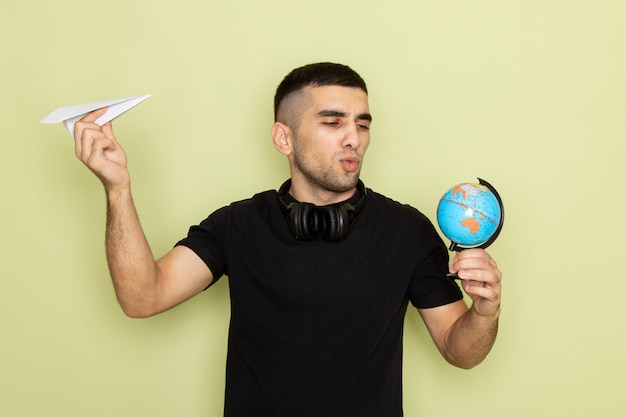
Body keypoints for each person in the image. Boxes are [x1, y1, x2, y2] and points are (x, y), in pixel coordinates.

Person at [73, 62, 502, 417]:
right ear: (284, 138)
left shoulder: (407, 230)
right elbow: (142, 298)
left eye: (362, 123)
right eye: (332, 122)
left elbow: (459, 350)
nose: (353, 137)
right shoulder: (236, 224)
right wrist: (118, 188)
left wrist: (484, 312)